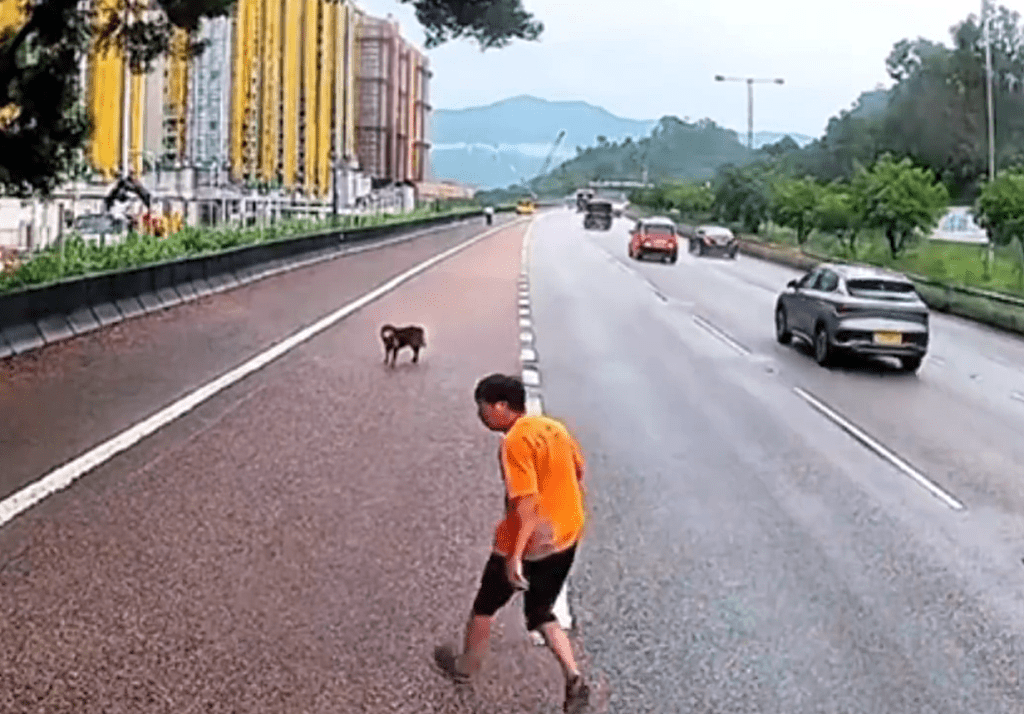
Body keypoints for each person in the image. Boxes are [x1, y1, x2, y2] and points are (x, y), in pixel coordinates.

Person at [433, 374, 591, 714]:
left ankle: (465, 668)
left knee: (485, 607)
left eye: (483, 409)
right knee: (540, 612)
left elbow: (527, 505)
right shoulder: (553, 428)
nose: (481, 416)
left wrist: (515, 556)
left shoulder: (515, 442)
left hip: (531, 540)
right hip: (566, 533)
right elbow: (579, 471)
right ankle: (574, 676)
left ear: (502, 407)